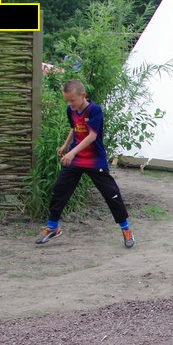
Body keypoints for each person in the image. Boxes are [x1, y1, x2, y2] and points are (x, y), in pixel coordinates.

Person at [35, 79, 135, 248]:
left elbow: (92, 136)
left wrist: (72, 152)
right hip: (76, 159)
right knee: (59, 190)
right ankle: (52, 228)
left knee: (111, 194)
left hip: (95, 160)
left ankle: (126, 229)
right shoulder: (71, 110)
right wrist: (66, 145)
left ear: (83, 95)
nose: (70, 104)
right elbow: (74, 128)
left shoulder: (95, 110)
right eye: (67, 100)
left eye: (72, 100)